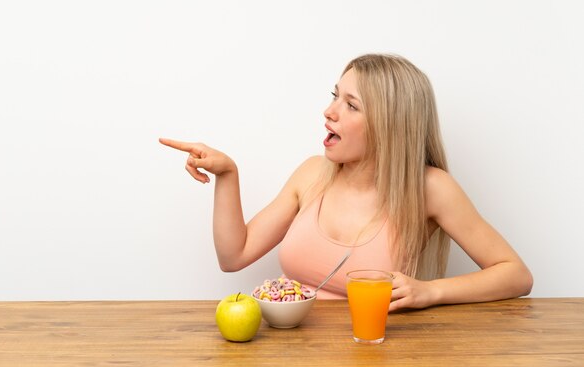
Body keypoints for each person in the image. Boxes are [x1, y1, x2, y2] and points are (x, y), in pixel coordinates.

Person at [159, 54, 533, 311]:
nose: (329, 111)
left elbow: (515, 275)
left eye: (351, 105)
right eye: (335, 95)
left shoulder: (430, 189)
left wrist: (430, 291)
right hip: (295, 349)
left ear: (389, 125)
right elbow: (233, 256)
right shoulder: (311, 175)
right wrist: (228, 174)